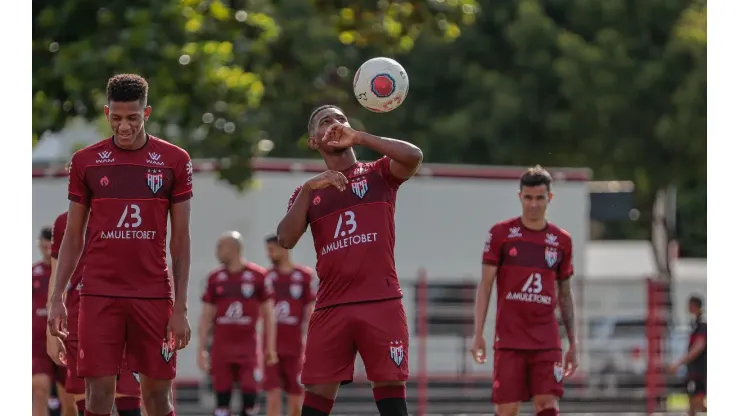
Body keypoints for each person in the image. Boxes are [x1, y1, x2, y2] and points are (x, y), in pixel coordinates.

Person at [47, 73, 193, 416]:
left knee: (158, 398)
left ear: (147, 113)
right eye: (116, 118)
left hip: (153, 294)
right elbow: (73, 236)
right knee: (97, 396)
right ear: (106, 113)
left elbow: (181, 239)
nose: (124, 126)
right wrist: (57, 298)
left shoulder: (175, 160)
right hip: (99, 294)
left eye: (132, 117)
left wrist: (181, 307)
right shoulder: (86, 162)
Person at [276, 104, 423, 416]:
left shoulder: (378, 173)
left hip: (380, 301)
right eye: (323, 121)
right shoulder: (310, 191)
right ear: (313, 142)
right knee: (316, 393)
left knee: (390, 390)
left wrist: (360, 137)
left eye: (339, 119)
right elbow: (285, 239)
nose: (333, 123)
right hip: (332, 306)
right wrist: (307, 189)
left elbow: (414, 156)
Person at [471, 166, 579, 416]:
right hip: (510, 340)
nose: (533, 204)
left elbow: (565, 293)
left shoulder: (562, 241)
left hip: (546, 340)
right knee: (507, 408)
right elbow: (486, 285)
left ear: (549, 198)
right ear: (520, 196)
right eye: (528, 197)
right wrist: (478, 333)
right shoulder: (501, 234)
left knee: (547, 405)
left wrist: (573, 342)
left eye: (540, 198)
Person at [49, 210, 146, 416]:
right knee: (87, 398)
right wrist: (51, 332)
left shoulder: (131, 212)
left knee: (128, 397)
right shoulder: (64, 221)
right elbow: (56, 277)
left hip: (125, 318)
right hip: (79, 319)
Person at [197, 231, 277, 416]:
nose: (216, 252)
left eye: (220, 247)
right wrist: (200, 350)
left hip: (248, 349)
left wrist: (270, 347)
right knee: (222, 402)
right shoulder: (215, 278)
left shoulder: (258, 276)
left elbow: (269, 315)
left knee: (250, 400)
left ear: (234, 248)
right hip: (221, 350)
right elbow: (206, 317)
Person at [262, 234, 316, 416]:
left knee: (296, 398)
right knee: (273, 397)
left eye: (272, 250)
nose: (269, 254)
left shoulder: (304, 276)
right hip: (271, 348)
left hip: (295, 348)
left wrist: (311, 344)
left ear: (284, 248)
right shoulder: (266, 277)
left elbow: (310, 312)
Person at [33, 226, 76, 416]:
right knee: (40, 388)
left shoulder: (67, 273)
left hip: (63, 339)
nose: (47, 244)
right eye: (43, 240)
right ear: (39, 244)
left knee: (68, 397)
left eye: (51, 240)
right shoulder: (32, 273)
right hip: (38, 342)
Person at [669, 295, 707, 416]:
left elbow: (698, 347)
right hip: (694, 370)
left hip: (700, 370)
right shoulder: (695, 323)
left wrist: (680, 362)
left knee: (697, 404)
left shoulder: (702, 324)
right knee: (691, 404)